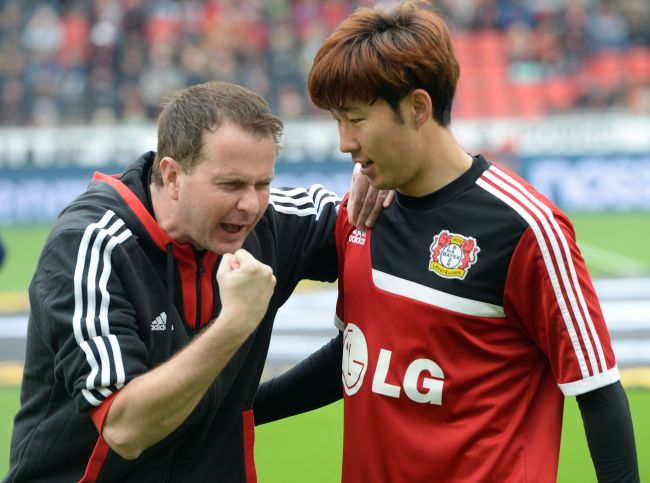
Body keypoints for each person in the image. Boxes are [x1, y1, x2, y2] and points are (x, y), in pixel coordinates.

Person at [253, 2, 640, 482]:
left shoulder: (527, 228)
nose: (344, 142)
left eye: (355, 118)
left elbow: (598, 393)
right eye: (337, 121)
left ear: (417, 108)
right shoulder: (364, 213)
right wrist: (241, 413)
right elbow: (356, 355)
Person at [4, 81, 386, 482]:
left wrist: (381, 174)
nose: (251, 204)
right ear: (171, 175)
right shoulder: (92, 244)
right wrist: (234, 323)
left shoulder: (269, 224)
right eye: (231, 185)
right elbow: (126, 428)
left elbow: (371, 223)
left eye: (263, 183)